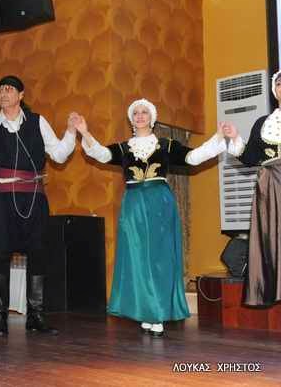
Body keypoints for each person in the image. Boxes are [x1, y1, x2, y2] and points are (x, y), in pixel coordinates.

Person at [72, 99, 239, 337]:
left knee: (160, 258)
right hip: (133, 207)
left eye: (144, 112)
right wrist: (85, 132)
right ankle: (145, 310)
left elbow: (193, 158)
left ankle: (157, 312)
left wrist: (217, 138)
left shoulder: (166, 145)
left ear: (152, 118)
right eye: (136, 113)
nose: (140, 115)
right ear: (131, 119)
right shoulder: (124, 148)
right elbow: (102, 154)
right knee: (137, 259)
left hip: (160, 204)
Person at [0, 75, 76, 336]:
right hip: (2, 198)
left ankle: (36, 316)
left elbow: (59, 155)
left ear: (21, 95)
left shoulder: (37, 121)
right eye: (0, 90)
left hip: (34, 196)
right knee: (1, 253)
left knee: (38, 252)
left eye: (9, 89)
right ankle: (0, 319)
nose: (3, 94)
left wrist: (71, 132)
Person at [228, 70, 281, 307]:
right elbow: (250, 158)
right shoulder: (263, 123)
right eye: (279, 84)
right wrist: (235, 137)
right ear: (274, 90)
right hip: (271, 187)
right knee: (273, 243)